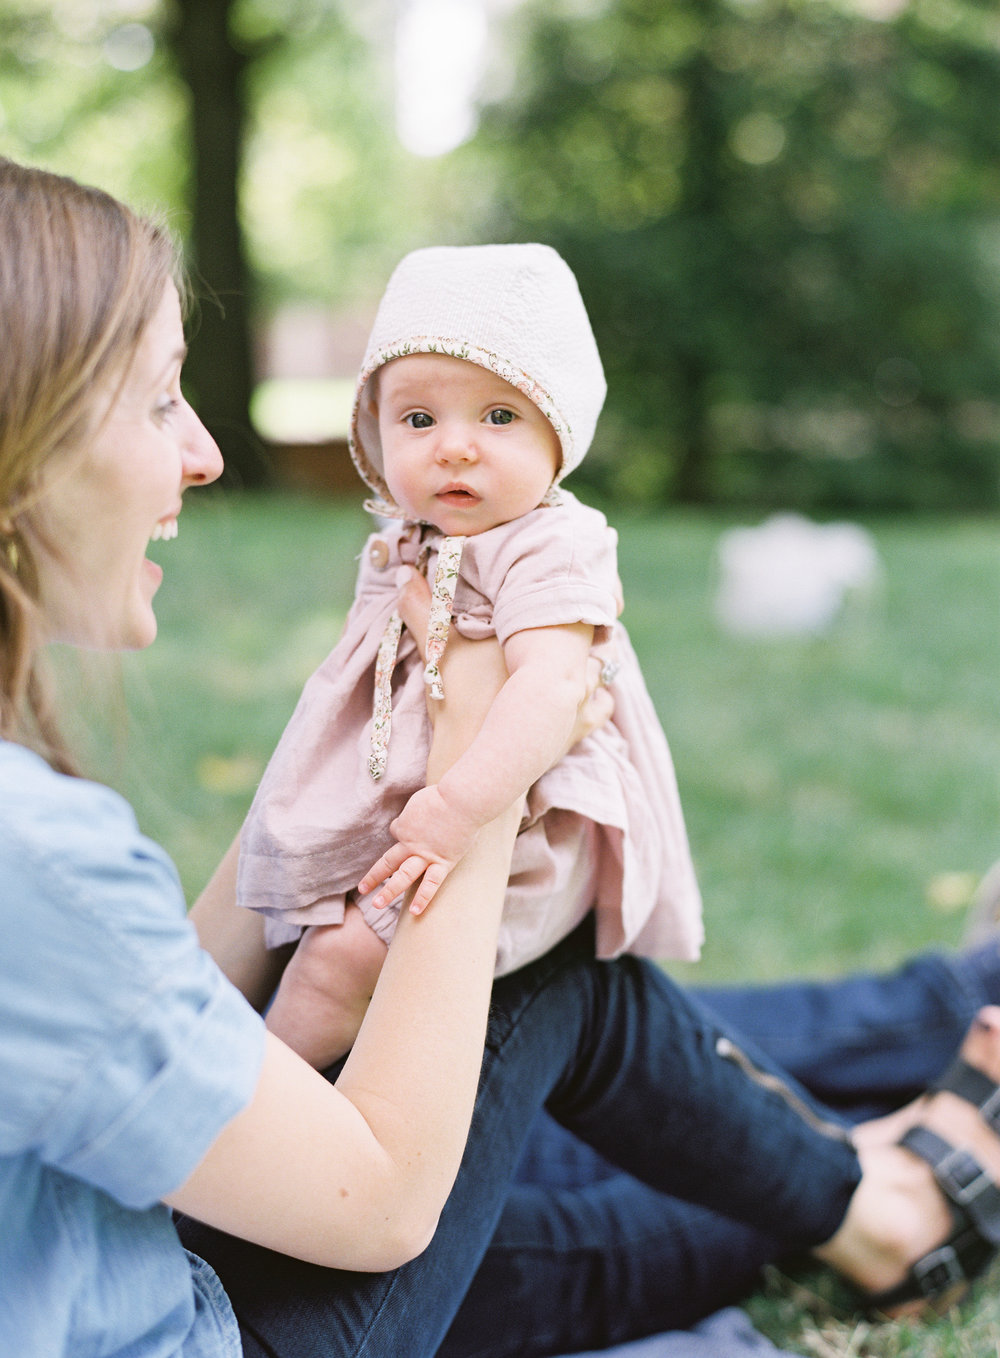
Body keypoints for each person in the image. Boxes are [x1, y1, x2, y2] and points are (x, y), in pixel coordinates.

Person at [4, 154, 1000, 1358]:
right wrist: (471, 754)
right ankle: (891, 1185)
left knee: (508, 1105)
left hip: (120, 1251)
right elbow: (375, 1204)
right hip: (182, 1302)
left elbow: (170, 987)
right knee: (538, 976)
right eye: (162, 397)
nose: (207, 453)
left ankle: (892, 1146)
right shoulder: (31, 859)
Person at [237, 243, 703, 1064]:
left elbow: (554, 692)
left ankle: (246, 1136)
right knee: (298, 937)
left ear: (560, 431)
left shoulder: (552, 542)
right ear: (374, 433)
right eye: (418, 420)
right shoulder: (409, 539)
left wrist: (454, 815)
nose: (454, 447)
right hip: (411, 811)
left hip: (516, 827)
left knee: (335, 966)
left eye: (498, 417)